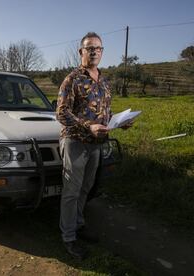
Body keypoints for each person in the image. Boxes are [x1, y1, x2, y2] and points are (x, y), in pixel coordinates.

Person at [56, 32, 132, 260]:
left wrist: (120, 123)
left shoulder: (105, 81)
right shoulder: (72, 79)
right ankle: (68, 238)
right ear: (81, 52)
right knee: (71, 191)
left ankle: (78, 224)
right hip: (75, 142)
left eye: (97, 48)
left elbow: (105, 113)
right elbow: (61, 112)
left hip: (96, 144)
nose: (93, 51)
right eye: (89, 48)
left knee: (86, 188)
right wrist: (88, 126)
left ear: (102, 52)